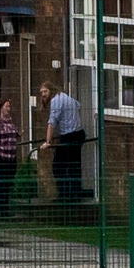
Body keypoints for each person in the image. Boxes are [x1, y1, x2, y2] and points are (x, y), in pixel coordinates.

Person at [42, 79, 88, 208]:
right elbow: (78, 105)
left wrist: (48, 142)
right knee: (74, 165)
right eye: (41, 92)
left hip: (70, 135)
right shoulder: (66, 97)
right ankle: (74, 194)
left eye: (45, 91)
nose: (43, 95)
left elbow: (51, 123)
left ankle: (66, 195)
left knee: (58, 166)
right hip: (78, 133)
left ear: (51, 90)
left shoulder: (56, 101)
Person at [0, 102, 23, 219]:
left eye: (9, 106)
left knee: (8, 183)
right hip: (0, 156)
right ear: (1, 108)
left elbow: (14, 134)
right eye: (6, 106)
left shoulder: (10, 122)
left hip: (11, 157)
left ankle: (5, 208)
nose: (8, 108)